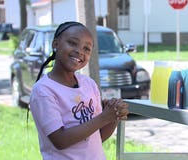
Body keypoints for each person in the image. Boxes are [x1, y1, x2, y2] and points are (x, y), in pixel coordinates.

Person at [30, 21, 129, 160]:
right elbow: (60, 140)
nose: (79, 51)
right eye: (72, 43)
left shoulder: (89, 84)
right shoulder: (44, 90)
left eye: (86, 49)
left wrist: (113, 116)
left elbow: (98, 136)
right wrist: (104, 117)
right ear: (55, 44)